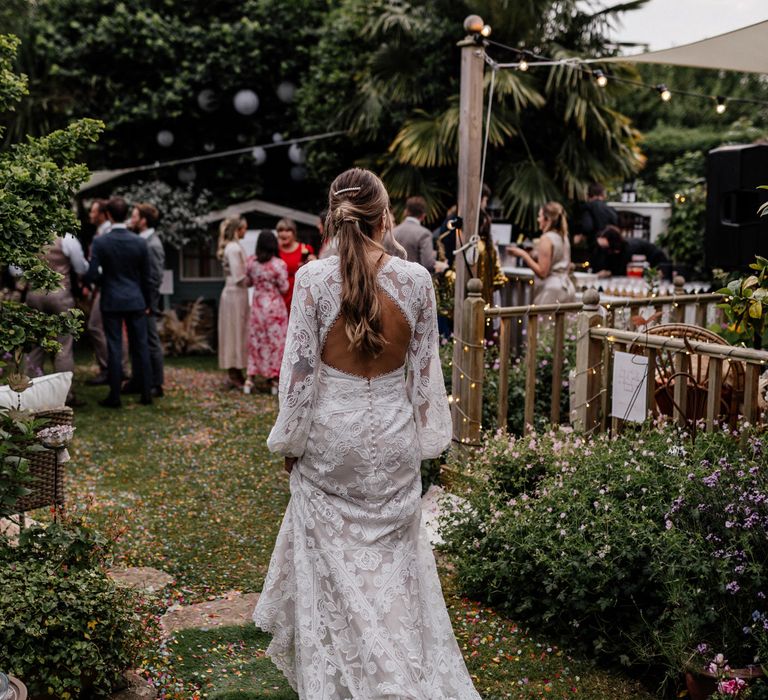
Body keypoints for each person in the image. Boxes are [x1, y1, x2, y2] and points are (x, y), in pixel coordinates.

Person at [253, 167, 481, 699]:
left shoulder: (311, 280)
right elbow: (425, 378)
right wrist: (426, 444)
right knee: (396, 572)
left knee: (333, 571)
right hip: (395, 442)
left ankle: (344, 676)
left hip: (333, 444)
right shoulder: (417, 281)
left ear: (333, 220)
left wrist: (291, 443)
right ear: (385, 218)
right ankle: (400, 670)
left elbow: (300, 377)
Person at [84, 196, 152, 408]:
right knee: (141, 346)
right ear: (125, 214)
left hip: (112, 299)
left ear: (109, 215)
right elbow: (147, 276)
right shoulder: (140, 242)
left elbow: (92, 274)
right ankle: (146, 394)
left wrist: (107, 281)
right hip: (136, 300)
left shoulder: (101, 242)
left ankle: (115, 396)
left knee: (114, 346)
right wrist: (148, 302)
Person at [25, 233, 89, 406]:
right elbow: (81, 268)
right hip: (59, 295)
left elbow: (14, 269)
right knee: (63, 347)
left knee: (34, 347)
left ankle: (31, 396)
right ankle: (65, 396)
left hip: (34, 295)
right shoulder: (67, 238)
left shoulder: (29, 236)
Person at [244, 231, 289, 395]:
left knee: (256, 342)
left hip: (257, 308)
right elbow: (284, 288)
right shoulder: (278, 265)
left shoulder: (251, 263)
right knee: (275, 344)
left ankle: (250, 379)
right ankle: (274, 380)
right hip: (274, 309)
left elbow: (247, 282)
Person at [128, 203, 164, 398]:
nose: (131, 219)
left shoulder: (153, 244)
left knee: (151, 341)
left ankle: (157, 384)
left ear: (143, 220)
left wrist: (151, 304)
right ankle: (139, 379)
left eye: (134, 216)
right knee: (136, 341)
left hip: (147, 302)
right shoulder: (139, 240)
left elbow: (156, 278)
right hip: (137, 300)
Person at [507, 201, 576, 304]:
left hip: (552, 290)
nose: (538, 220)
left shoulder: (546, 238)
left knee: (544, 320)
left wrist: (523, 254)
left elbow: (542, 272)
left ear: (547, 220)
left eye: (539, 216)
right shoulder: (564, 237)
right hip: (568, 288)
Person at [217, 216, 249, 389]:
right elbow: (239, 277)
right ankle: (233, 372)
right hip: (234, 294)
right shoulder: (233, 248)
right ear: (238, 230)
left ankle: (236, 370)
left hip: (237, 294)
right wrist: (255, 276)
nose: (245, 231)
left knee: (238, 331)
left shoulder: (234, 247)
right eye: (244, 228)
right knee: (234, 332)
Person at [85, 198, 112, 384]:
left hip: (107, 287)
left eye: (93, 211)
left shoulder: (107, 234)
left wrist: (92, 276)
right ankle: (114, 368)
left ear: (103, 214)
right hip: (102, 287)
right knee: (107, 329)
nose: (90, 214)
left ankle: (108, 368)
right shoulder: (100, 232)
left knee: (95, 327)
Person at [392, 195, 445, 273]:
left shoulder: (392, 232)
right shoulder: (424, 234)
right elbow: (428, 264)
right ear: (423, 216)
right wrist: (441, 266)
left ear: (406, 211)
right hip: (413, 282)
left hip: (392, 281)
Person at [592, 225, 669, 278]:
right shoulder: (611, 250)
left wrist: (609, 273)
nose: (603, 250)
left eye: (605, 247)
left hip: (658, 264)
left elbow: (623, 271)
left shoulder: (629, 249)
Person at [573, 182, 618, 264]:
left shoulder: (587, 207)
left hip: (595, 248)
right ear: (603, 194)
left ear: (588, 195)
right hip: (612, 250)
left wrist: (580, 235)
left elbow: (587, 226)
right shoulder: (611, 210)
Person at [276, 217, 315, 311]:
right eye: (281, 230)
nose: (284, 233)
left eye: (288, 230)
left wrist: (314, 262)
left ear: (294, 233)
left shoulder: (305, 249)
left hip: (300, 293)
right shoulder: (274, 251)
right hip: (279, 296)